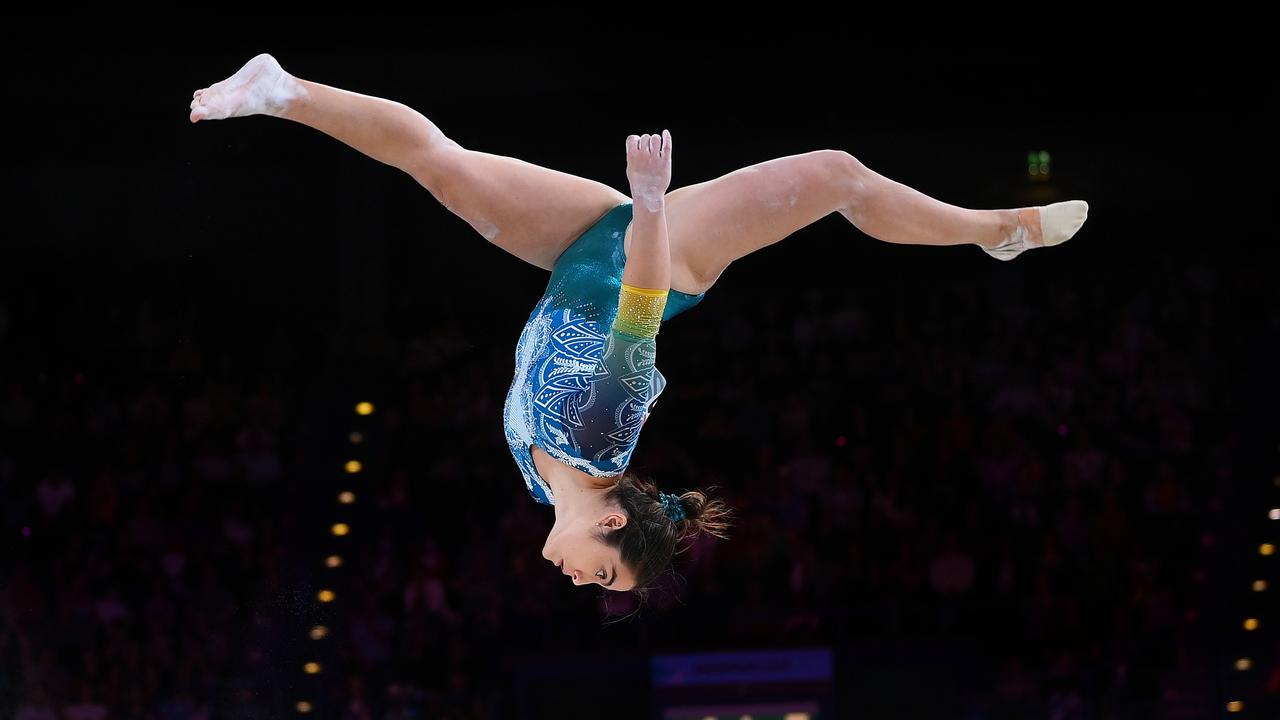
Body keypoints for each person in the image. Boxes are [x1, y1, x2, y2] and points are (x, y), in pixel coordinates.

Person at [190, 53, 1089, 596]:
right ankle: (994, 232)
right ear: (613, 527)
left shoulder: (546, 492)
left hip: (576, 258)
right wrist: (653, 205)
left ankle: (282, 90)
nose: (583, 583)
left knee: (440, 164)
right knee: (837, 176)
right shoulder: (602, 438)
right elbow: (642, 309)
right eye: (605, 575)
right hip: (644, 260)